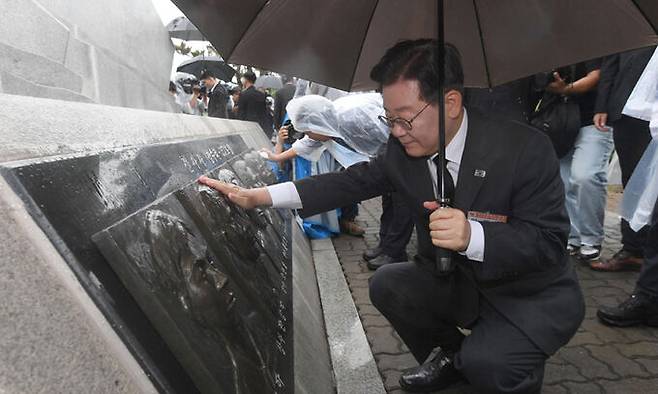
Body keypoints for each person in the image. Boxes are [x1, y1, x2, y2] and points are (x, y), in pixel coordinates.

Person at [199, 39, 584, 393]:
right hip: (461, 285)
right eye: (389, 118)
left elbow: (549, 245)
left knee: (493, 367)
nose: (397, 131)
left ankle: (501, 365)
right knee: (388, 284)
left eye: (405, 118)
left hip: (528, 294)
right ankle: (454, 357)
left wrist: (473, 236)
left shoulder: (524, 149)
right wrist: (258, 197)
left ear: (450, 103)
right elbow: (347, 184)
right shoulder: (404, 150)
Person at [263, 94, 370, 237]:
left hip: (360, 160)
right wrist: (279, 148)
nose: (306, 135)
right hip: (306, 164)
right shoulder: (314, 131)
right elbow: (304, 144)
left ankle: (345, 219)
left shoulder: (349, 123)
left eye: (307, 131)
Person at [590, 46, 656, 272]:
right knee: (633, 182)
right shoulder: (634, 17)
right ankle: (633, 248)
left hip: (652, 110)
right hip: (627, 109)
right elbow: (611, 63)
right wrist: (602, 106)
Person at [545, 60, 614, 262]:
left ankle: (591, 239)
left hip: (594, 119)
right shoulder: (550, 39)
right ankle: (573, 238)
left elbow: (596, 75)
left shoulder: (595, 36)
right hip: (560, 122)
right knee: (562, 181)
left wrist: (566, 89)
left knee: (585, 176)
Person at [237, 71, 271, 138]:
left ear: (245, 80)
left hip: (247, 125)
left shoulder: (243, 94)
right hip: (260, 126)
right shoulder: (261, 94)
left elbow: (241, 113)